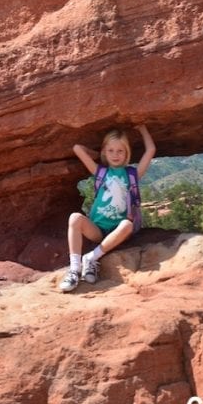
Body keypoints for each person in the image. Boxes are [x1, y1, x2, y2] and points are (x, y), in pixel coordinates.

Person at [59, 123, 156, 293]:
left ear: (127, 153)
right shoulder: (100, 172)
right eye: (110, 150)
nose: (115, 155)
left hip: (117, 232)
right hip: (97, 229)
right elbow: (77, 148)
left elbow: (151, 151)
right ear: (105, 151)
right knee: (74, 218)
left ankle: (90, 258)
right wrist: (97, 154)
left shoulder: (132, 174)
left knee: (127, 225)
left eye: (120, 151)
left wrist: (142, 129)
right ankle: (74, 269)